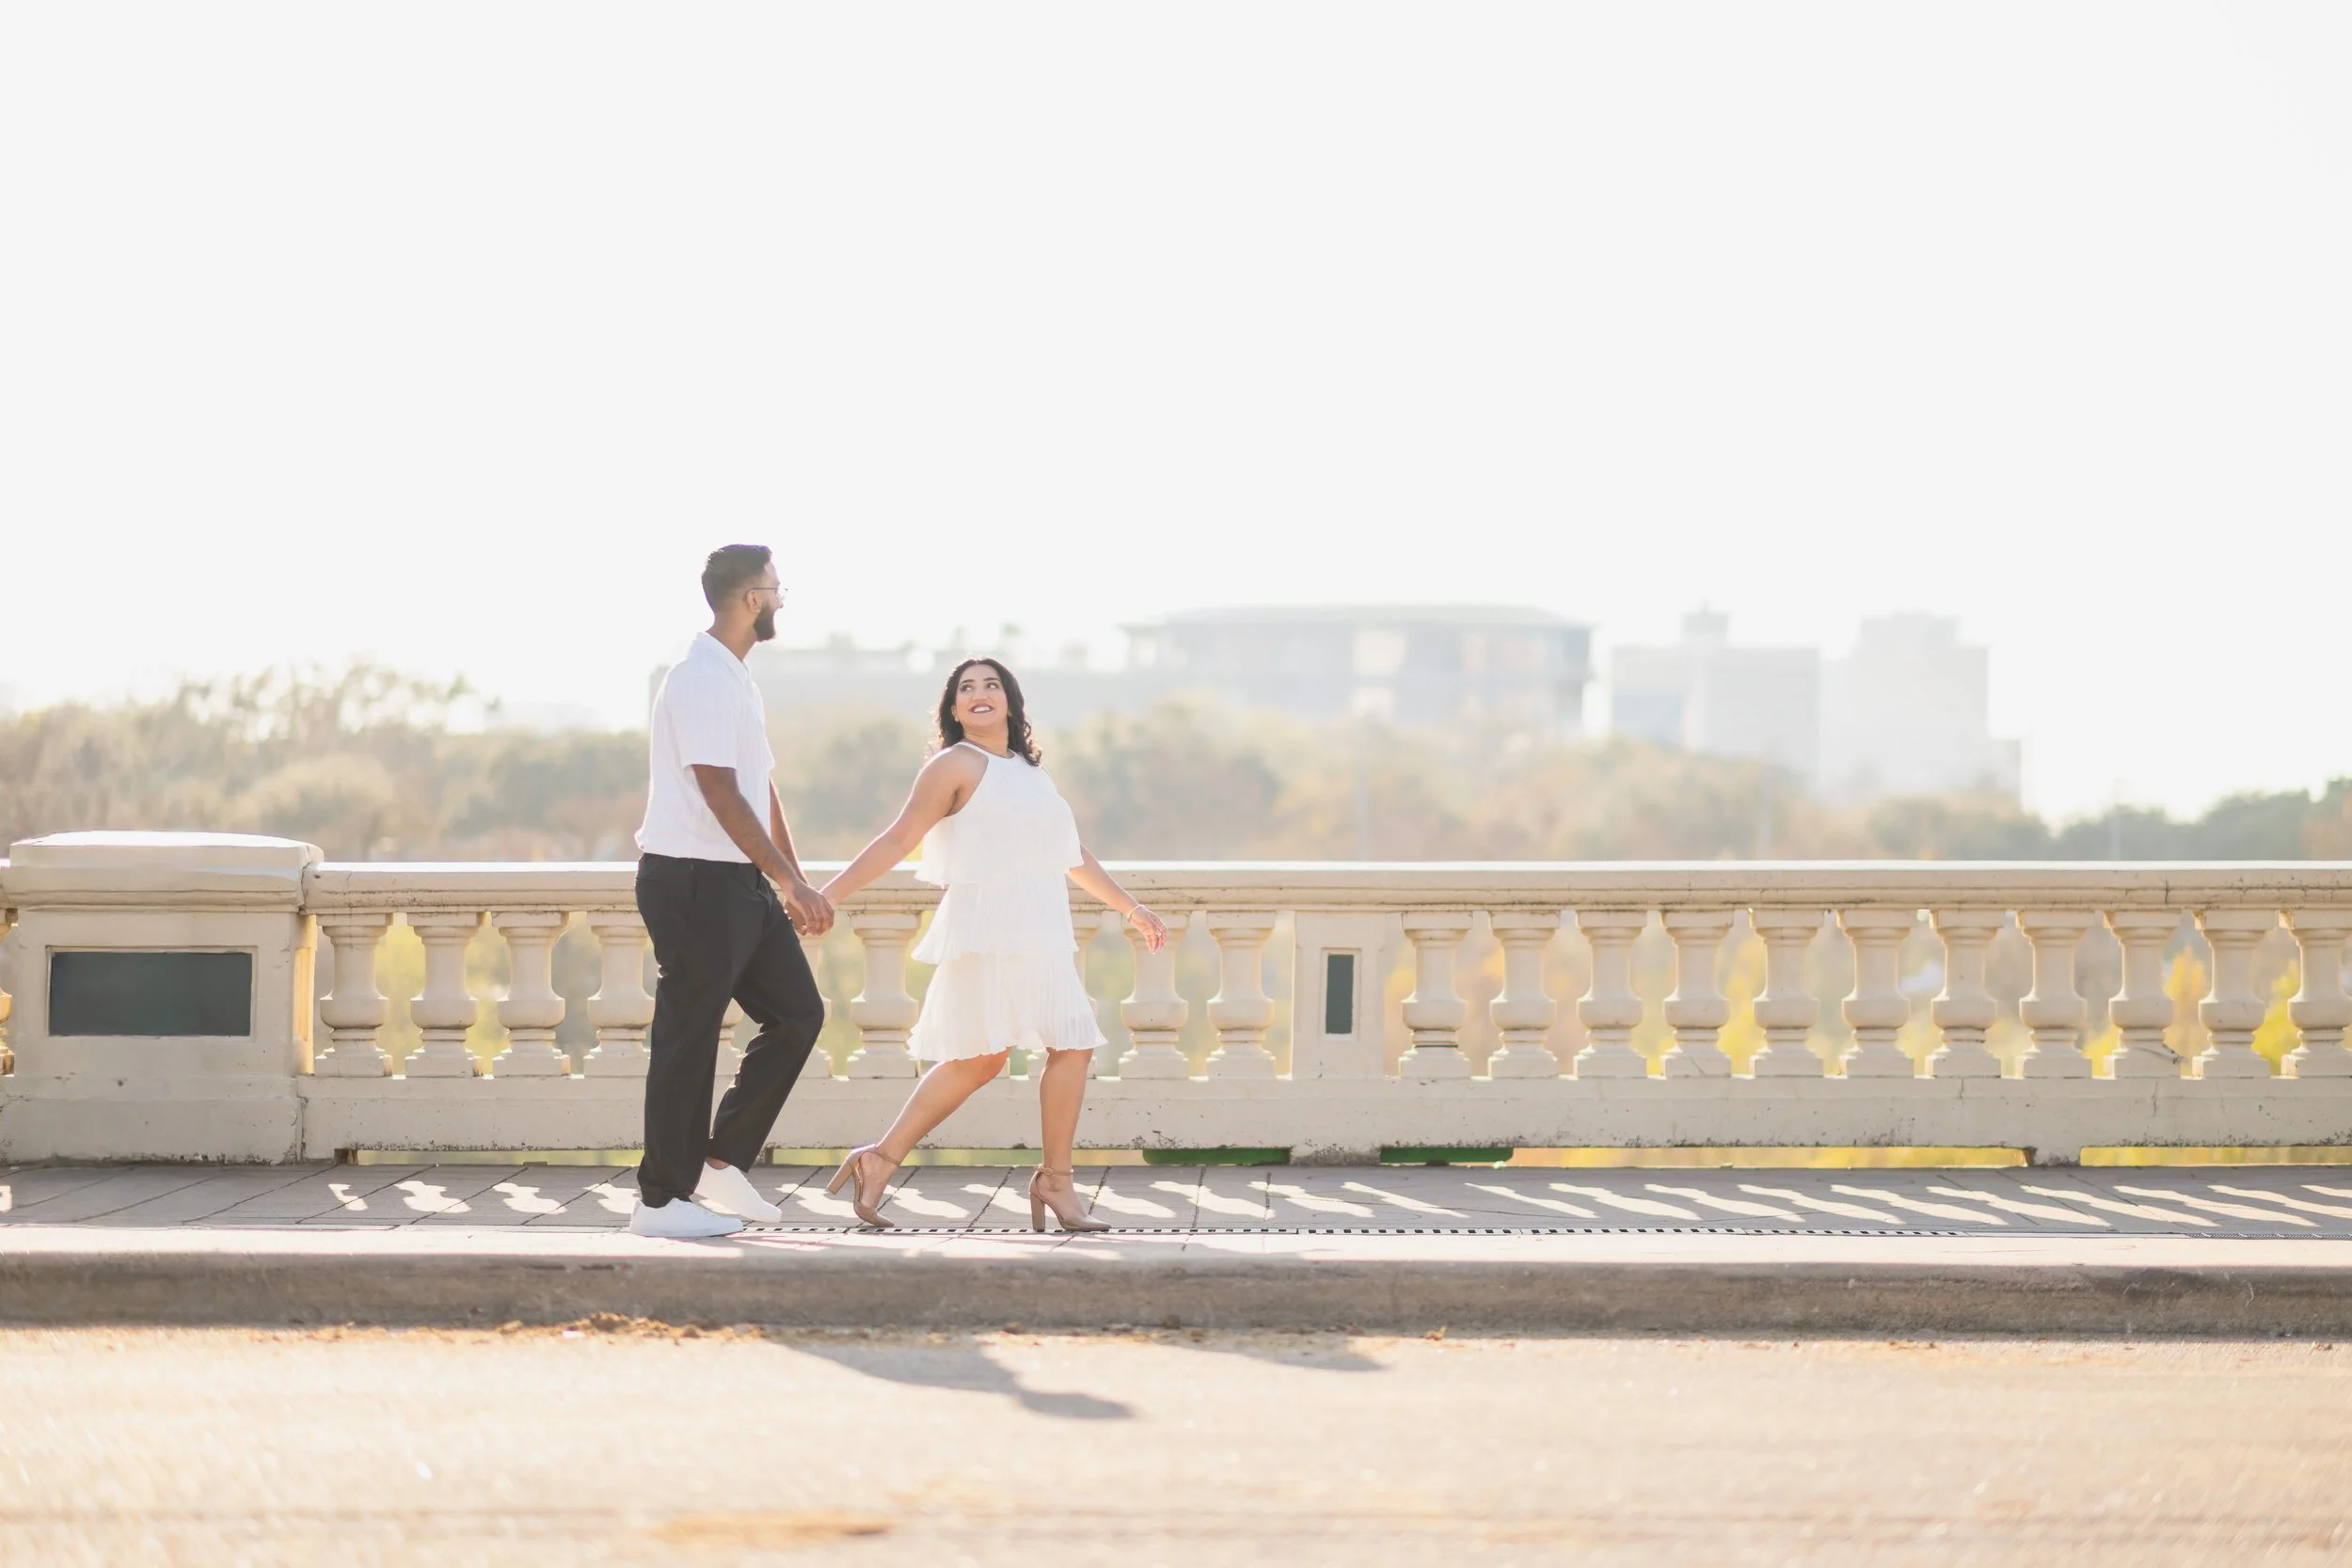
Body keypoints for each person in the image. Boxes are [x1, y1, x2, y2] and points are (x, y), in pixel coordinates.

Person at [818, 657, 1168, 1230]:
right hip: (989, 927)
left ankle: (1051, 1180)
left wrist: (1131, 906)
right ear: (953, 710)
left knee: (1068, 1044)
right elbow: (899, 838)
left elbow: (1070, 854)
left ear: (1010, 701)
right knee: (981, 1058)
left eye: (992, 685)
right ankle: (882, 1158)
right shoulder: (954, 764)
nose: (980, 693)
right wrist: (825, 896)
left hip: (1042, 929)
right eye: (966, 688)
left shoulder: (1031, 772)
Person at [627, 544, 834, 1239]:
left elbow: (759, 786)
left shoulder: (736, 678)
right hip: (691, 878)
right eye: (777, 590)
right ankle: (660, 1202)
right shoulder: (700, 679)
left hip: (737, 879)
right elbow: (717, 789)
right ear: (751, 598)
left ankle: (721, 1159)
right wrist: (784, 876)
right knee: (687, 1037)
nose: (780, 601)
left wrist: (793, 878)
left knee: (797, 1015)